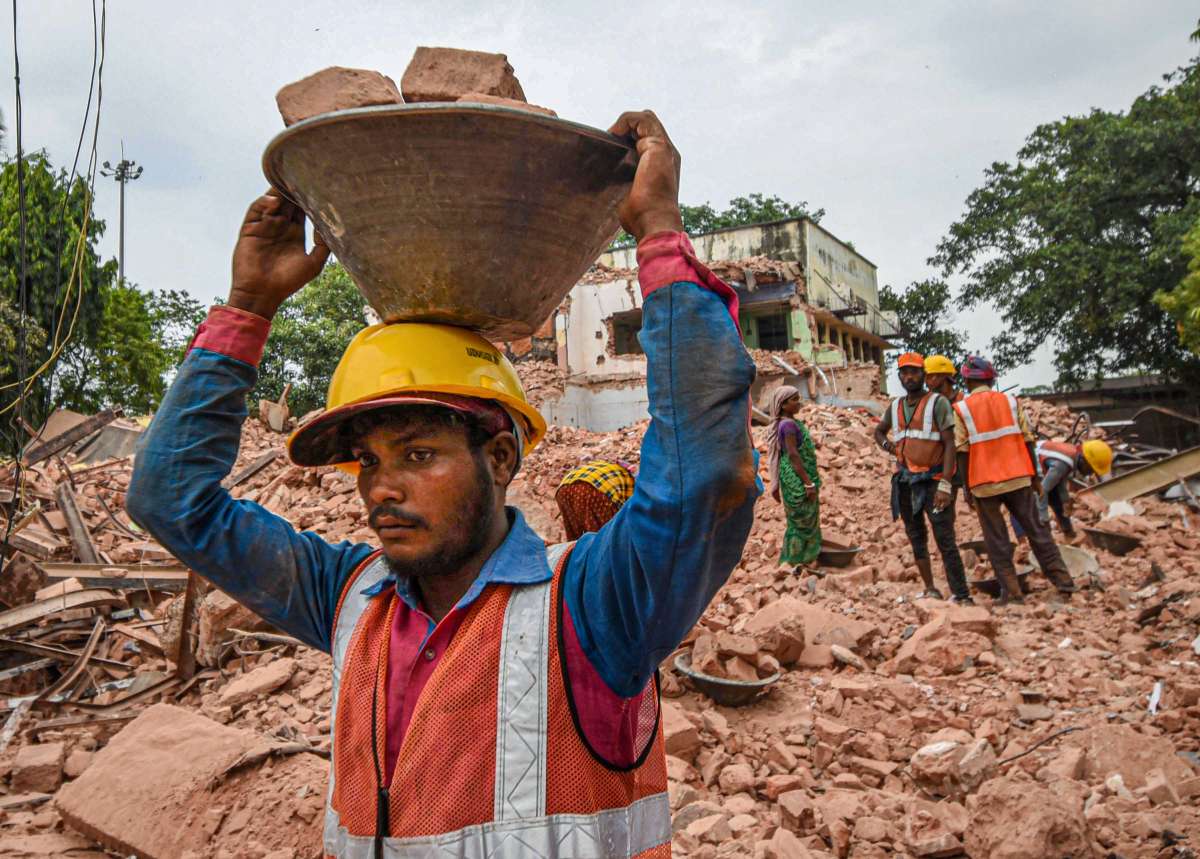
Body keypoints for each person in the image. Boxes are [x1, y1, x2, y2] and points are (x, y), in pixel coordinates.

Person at [126, 111, 760, 858]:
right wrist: (248, 307)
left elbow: (704, 477)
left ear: (498, 458)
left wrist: (657, 230)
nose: (381, 489)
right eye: (368, 460)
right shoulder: (349, 599)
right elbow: (171, 500)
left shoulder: (590, 610)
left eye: (418, 453)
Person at [953, 356, 1075, 605]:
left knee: (996, 540)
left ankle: (1012, 593)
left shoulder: (962, 409)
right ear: (992, 378)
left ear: (966, 381)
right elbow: (1028, 439)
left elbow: (962, 451)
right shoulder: (1010, 401)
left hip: (984, 483)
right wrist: (1035, 477)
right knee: (1037, 531)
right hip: (1018, 477)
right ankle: (1064, 583)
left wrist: (967, 488)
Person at [874, 352, 971, 603]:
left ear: (923, 375)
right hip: (906, 480)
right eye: (904, 373)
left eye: (914, 372)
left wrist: (946, 484)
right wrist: (890, 447)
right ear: (899, 376)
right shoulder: (895, 406)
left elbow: (950, 444)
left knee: (944, 537)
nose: (909, 377)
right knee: (915, 535)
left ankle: (961, 594)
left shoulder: (937, 403)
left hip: (933, 480)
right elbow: (879, 432)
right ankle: (930, 587)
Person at [1011, 438, 1113, 539]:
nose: (1090, 474)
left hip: (1040, 472)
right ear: (1084, 459)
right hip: (1021, 468)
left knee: (1057, 499)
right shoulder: (1063, 464)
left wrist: (1065, 501)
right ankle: (1023, 542)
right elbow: (1042, 491)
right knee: (1023, 505)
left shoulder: (1071, 455)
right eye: (1091, 469)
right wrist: (1044, 520)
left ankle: (1068, 532)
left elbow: (1060, 482)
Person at [767, 385, 822, 568]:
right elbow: (793, 455)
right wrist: (807, 483)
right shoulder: (788, 425)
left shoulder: (790, 422)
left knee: (801, 520)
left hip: (796, 474)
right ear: (783, 405)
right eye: (795, 400)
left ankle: (800, 559)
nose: (799, 403)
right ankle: (797, 560)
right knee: (802, 520)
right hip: (796, 478)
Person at [923, 354, 966, 512]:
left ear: (943, 377)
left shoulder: (963, 403)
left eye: (929, 377)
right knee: (943, 516)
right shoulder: (929, 404)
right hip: (942, 469)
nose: (926, 382)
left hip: (965, 464)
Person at [556, 459, 636, 540]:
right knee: (604, 538)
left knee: (575, 537)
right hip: (594, 489)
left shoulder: (610, 466)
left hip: (564, 487)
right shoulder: (637, 487)